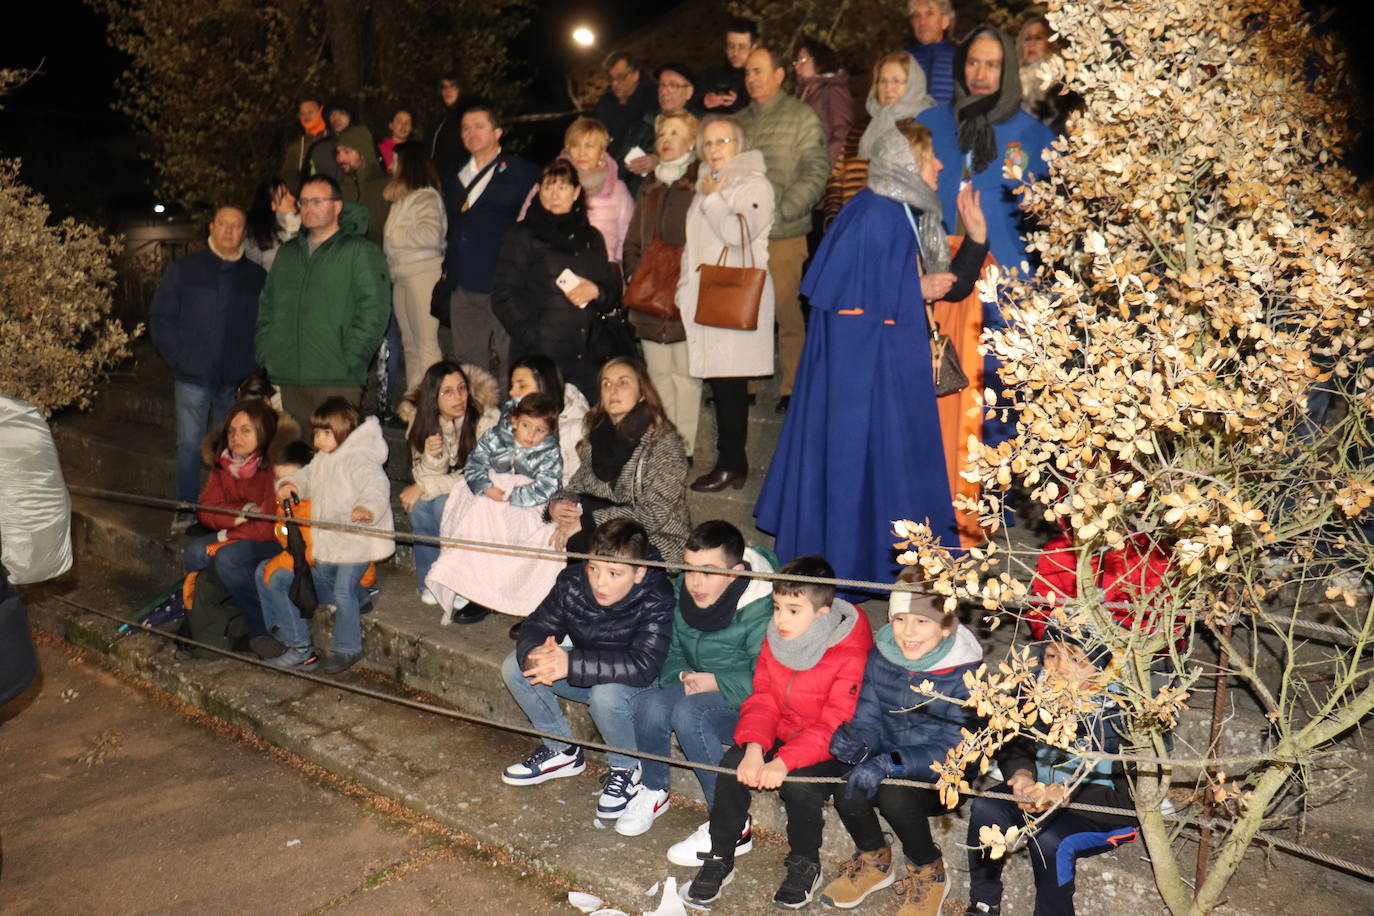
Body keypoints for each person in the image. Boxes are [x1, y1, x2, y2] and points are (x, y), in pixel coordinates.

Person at [757, 122, 991, 586]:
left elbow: (947, 286)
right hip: (863, 388)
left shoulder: (909, 211)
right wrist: (913, 289)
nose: (940, 165)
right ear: (905, 162)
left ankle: (902, 569)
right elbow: (846, 310)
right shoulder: (872, 214)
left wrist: (978, 238)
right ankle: (860, 570)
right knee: (865, 478)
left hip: (889, 377)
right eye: (930, 157)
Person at [685, 555, 874, 910]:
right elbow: (764, 698)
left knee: (800, 785)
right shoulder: (776, 639)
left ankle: (805, 862)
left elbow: (835, 721)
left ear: (821, 614)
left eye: (792, 610)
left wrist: (785, 761)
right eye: (776, 607)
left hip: (835, 745)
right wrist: (756, 746)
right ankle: (721, 854)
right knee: (733, 764)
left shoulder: (850, 654)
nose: (780, 619)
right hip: (785, 733)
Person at [917, 25, 1055, 445]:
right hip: (937, 280)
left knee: (996, 409)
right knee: (935, 399)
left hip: (1005, 288)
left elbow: (1052, 220)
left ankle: (996, 509)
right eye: (973, 61)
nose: (980, 72)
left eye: (992, 64)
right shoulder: (930, 123)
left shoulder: (1034, 134)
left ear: (1008, 69)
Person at [819, 583, 985, 915]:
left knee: (894, 793)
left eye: (921, 622)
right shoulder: (882, 655)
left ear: (947, 625)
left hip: (945, 778)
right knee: (847, 787)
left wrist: (889, 763)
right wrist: (857, 741)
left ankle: (929, 870)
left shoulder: (967, 673)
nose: (907, 632)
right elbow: (869, 718)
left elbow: (955, 747)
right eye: (899, 619)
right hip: (887, 760)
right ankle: (875, 860)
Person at [499, 518, 674, 821]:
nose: (599, 582)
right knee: (516, 666)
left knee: (606, 694)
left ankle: (626, 766)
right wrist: (536, 652)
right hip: (585, 671)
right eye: (594, 568)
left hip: (638, 685)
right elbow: (537, 624)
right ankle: (562, 751)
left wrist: (570, 663)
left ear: (639, 571)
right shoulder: (572, 580)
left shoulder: (658, 594)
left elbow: (644, 666)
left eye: (614, 573)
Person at [618, 521, 776, 847]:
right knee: (649, 704)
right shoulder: (684, 593)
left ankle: (730, 822)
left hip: (751, 703)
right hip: (700, 685)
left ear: (735, 572)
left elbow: (770, 682)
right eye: (689, 570)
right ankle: (654, 788)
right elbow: (671, 650)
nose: (695, 582)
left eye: (708, 572)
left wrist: (716, 681)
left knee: (691, 714)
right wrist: (682, 676)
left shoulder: (760, 608)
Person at [964, 623, 1140, 916]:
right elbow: (1016, 743)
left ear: (1100, 666)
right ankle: (984, 902)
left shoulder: (1125, 715)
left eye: (1075, 659)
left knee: (1047, 839)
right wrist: (1022, 776)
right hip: (1039, 793)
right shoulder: (1036, 692)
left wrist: (1067, 793)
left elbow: (1130, 800)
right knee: (986, 807)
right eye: (1051, 656)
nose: (1058, 667)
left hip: (1100, 812)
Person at [257, 398, 395, 673]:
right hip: (330, 541)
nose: (318, 440)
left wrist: (367, 509)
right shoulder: (323, 459)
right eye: (316, 433)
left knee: (343, 588)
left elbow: (377, 488)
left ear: (344, 432)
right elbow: (307, 476)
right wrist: (292, 483)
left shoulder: (360, 460)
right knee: (312, 578)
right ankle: (297, 643)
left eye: (325, 433)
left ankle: (348, 647)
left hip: (358, 540)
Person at [150, 205, 266, 533]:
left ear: (244, 232)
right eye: (223, 224)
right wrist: (179, 358)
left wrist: (254, 367)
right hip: (192, 377)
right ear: (211, 227)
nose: (229, 231)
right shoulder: (185, 270)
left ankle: (226, 508)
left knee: (233, 448)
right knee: (188, 444)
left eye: (237, 225)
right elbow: (161, 318)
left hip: (236, 381)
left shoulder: (256, 278)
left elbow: (265, 326)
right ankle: (186, 505)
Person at [677, 114, 775, 492]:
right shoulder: (708, 184)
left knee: (731, 386)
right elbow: (694, 244)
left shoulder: (754, 184)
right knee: (722, 386)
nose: (715, 150)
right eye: (709, 142)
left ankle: (731, 463)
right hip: (708, 297)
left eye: (724, 142)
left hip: (733, 297)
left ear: (740, 145)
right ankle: (731, 462)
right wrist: (684, 286)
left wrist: (714, 197)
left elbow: (738, 233)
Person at [255, 174, 392, 428]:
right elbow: (268, 306)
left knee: (335, 463)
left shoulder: (360, 251)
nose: (308, 208)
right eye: (304, 202)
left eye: (317, 201)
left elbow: (375, 309)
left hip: (336, 378)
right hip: (288, 376)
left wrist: (352, 359)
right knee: (297, 462)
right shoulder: (288, 253)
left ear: (337, 206)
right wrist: (268, 351)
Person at [736, 47, 829, 412]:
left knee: (786, 311)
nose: (752, 79)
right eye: (747, 73)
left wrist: (784, 210)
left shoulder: (801, 116)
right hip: (742, 235)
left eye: (758, 71)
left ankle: (792, 386)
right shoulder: (739, 121)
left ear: (779, 75)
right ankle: (744, 383)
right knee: (743, 310)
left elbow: (815, 169)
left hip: (784, 232)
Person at [426, 393, 563, 626]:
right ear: (514, 421)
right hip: (491, 493)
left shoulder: (550, 452)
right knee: (478, 515)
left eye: (540, 430)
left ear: (549, 432)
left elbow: (549, 485)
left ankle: (526, 602)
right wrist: (486, 487)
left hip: (526, 502)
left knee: (538, 535)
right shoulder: (495, 437)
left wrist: (514, 495)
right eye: (526, 426)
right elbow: (475, 464)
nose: (530, 435)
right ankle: (470, 588)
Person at [493, 158, 624, 400]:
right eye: (548, 187)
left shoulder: (591, 237)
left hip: (587, 354)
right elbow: (503, 296)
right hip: (540, 358)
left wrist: (595, 291)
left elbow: (612, 290)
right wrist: (535, 339)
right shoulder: (522, 234)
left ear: (575, 192)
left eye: (562, 187)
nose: (554, 194)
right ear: (538, 191)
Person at [547, 357, 691, 564]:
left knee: (582, 543)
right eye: (606, 384)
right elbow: (578, 486)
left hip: (656, 538)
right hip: (606, 531)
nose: (613, 390)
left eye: (623, 383)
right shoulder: (596, 434)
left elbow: (654, 514)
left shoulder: (663, 442)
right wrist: (557, 504)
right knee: (548, 535)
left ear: (642, 393)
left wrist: (589, 521)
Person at [623, 109, 702, 463]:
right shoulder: (649, 183)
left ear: (691, 141)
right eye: (662, 134)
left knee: (686, 375)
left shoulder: (700, 181)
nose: (667, 140)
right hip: (649, 292)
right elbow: (633, 236)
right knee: (658, 374)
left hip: (686, 290)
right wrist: (633, 271)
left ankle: (684, 446)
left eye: (675, 133)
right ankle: (666, 444)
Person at [439, 104, 539, 378]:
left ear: (498, 132)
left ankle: (513, 417)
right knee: (468, 364)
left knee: (514, 359)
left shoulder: (521, 173)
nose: (471, 132)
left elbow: (534, 224)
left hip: (506, 282)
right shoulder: (455, 177)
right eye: (465, 128)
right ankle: (477, 416)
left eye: (479, 126)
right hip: (464, 285)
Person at [398, 359, 500, 606]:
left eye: (462, 388)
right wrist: (434, 457)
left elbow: (481, 475)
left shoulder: (487, 419)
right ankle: (432, 580)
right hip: (456, 488)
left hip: (487, 493)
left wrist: (425, 485)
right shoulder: (421, 421)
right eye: (447, 392)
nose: (458, 397)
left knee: (442, 503)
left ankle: (459, 582)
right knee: (419, 505)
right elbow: (421, 472)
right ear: (433, 397)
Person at [182, 399, 282, 639]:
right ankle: (203, 621)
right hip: (241, 532)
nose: (237, 437)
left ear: (263, 431)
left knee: (228, 557)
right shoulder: (224, 462)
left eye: (246, 430)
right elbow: (205, 510)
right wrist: (242, 513)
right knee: (195, 552)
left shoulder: (274, 466)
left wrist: (226, 533)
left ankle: (262, 628)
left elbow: (267, 526)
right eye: (232, 431)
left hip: (275, 539)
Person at [823, 52, 937, 226]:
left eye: (896, 81)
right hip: (852, 224)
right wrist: (834, 220)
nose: (888, 88)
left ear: (913, 84)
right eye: (882, 81)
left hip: (896, 227)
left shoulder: (920, 128)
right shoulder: (859, 129)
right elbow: (837, 178)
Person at [522, 118, 634, 264]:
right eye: (575, 145)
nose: (581, 153)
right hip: (552, 268)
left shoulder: (617, 189)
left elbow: (627, 233)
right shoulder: (548, 182)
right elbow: (526, 221)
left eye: (589, 146)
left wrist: (616, 266)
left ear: (602, 151)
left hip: (600, 271)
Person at [383, 141, 446, 393]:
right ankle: (415, 401)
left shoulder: (426, 196)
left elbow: (430, 234)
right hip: (401, 275)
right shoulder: (403, 199)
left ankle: (434, 402)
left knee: (426, 345)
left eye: (395, 161)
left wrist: (396, 236)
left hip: (423, 274)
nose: (390, 166)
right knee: (410, 345)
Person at [507, 354, 590, 485]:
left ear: (544, 387)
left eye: (521, 386)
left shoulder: (575, 429)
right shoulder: (512, 422)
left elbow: (579, 486)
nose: (511, 392)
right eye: (512, 385)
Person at [618, 63, 703, 182]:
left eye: (673, 85)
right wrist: (631, 165)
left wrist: (660, 160)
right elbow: (619, 169)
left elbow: (706, 158)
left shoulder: (701, 125)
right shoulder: (643, 124)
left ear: (689, 92)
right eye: (662, 85)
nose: (664, 91)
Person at [593, 51, 659, 191]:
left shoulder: (654, 99)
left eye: (621, 77)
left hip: (641, 178)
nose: (615, 83)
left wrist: (658, 158)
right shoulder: (605, 103)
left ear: (635, 74)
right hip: (608, 177)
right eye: (611, 79)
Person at [793, 38, 854, 168]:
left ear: (818, 60)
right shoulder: (801, 93)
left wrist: (827, 168)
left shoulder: (833, 89)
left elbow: (842, 132)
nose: (797, 66)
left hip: (821, 169)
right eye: (796, 61)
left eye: (802, 60)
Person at [1018, 15, 1080, 134]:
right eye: (1027, 38)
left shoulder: (1066, 81)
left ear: (1052, 42)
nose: (1031, 44)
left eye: (1038, 38)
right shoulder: (1012, 82)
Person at [335, 128, 391, 246]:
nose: (340, 159)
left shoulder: (385, 187)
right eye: (338, 153)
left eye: (347, 152)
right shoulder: (339, 190)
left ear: (363, 153)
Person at [698, 17, 758, 114]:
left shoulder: (762, 80)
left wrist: (737, 103)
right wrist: (704, 102)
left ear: (753, 48)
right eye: (731, 46)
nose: (735, 53)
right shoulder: (709, 76)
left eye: (742, 47)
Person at [243, 179, 301, 272]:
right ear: (272, 205)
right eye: (285, 196)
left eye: (290, 193)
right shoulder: (258, 237)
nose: (293, 199)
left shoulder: (307, 226)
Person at [906, 0, 957, 105]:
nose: (922, 22)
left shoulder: (962, 58)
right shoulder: (901, 60)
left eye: (929, 14)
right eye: (916, 16)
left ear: (945, 21)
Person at [281, 93, 329, 193]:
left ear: (322, 111)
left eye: (310, 112)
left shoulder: (335, 139)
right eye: (302, 113)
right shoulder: (296, 148)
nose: (306, 117)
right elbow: (289, 178)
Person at [430, 75, 466, 178]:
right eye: (444, 87)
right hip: (435, 179)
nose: (448, 91)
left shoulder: (467, 117)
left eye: (452, 87)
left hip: (458, 179)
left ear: (460, 89)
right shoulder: (438, 118)